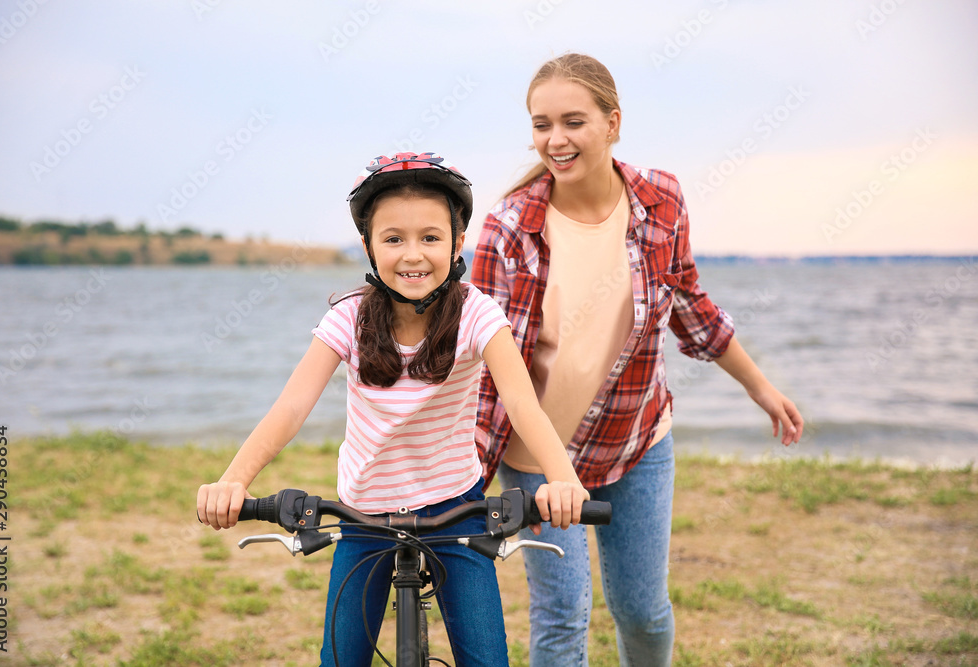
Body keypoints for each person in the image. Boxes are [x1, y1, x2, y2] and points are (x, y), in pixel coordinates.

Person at [472, 54, 805, 666]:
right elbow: (487, 364)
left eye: (573, 120)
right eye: (541, 124)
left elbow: (688, 303)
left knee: (644, 613)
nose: (556, 139)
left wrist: (759, 387)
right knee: (562, 617)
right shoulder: (509, 226)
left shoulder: (660, 200)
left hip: (638, 441)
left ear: (612, 122)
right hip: (539, 456)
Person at [196, 151, 590, 667]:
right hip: (363, 514)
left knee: (487, 659)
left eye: (430, 237)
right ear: (368, 245)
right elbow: (292, 406)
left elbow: (520, 402)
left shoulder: (476, 312)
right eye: (393, 239)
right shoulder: (349, 317)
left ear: (456, 244)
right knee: (341, 659)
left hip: (455, 508)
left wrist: (563, 478)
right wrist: (234, 480)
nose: (413, 255)